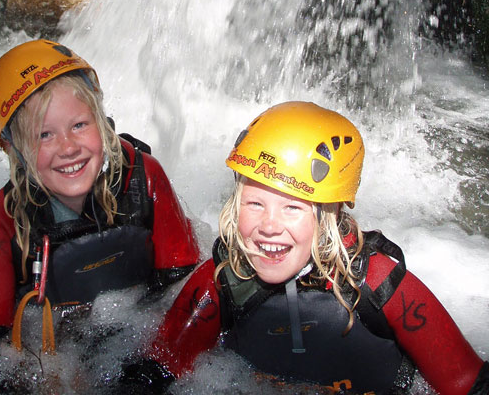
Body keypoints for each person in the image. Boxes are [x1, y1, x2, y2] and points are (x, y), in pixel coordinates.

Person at [123, 102, 489, 394]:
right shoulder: (223, 283)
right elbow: (155, 372)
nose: (268, 225)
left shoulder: (380, 285)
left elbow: (468, 383)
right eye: (254, 203)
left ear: (328, 214)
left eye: (293, 208)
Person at [0, 39, 200, 348]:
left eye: (79, 125)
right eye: (44, 135)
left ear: (101, 121)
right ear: (14, 149)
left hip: (133, 332)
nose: (69, 148)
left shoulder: (144, 179)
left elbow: (186, 289)